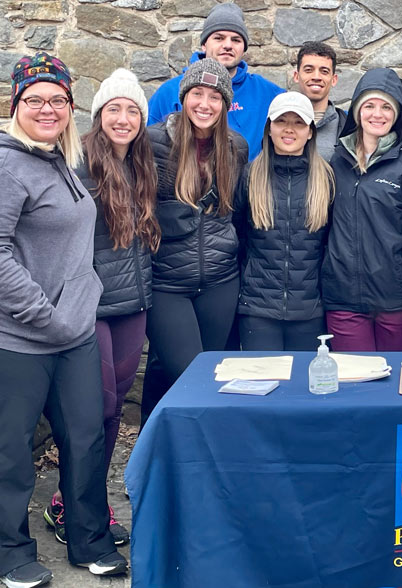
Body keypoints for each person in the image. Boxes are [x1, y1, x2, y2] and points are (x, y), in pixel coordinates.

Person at [0, 52, 128, 588]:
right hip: (20, 338)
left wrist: (83, 296)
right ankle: (10, 555)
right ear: (16, 106)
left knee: (85, 439)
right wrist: (42, 313)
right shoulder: (7, 166)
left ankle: (89, 541)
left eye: (57, 99)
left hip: (74, 332)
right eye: (35, 100)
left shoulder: (63, 162)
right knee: (11, 450)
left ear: (70, 107)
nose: (47, 108)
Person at [42, 69, 158, 548]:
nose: (124, 118)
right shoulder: (74, 160)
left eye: (133, 110)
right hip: (91, 305)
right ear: (98, 114)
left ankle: (79, 501)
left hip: (133, 301)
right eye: (115, 108)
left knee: (112, 413)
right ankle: (78, 502)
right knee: (97, 408)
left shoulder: (145, 163)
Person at [141, 58, 248, 425]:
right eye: (197, 94)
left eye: (215, 97)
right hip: (168, 281)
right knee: (184, 375)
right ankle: (151, 460)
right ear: (184, 98)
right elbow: (137, 205)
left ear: (225, 104)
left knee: (208, 373)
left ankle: (190, 465)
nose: (205, 104)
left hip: (220, 280)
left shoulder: (236, 147)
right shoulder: (153, 142)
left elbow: (234, 211)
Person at [321, 68, 402, 351]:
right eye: (369, 106)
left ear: (398, 114)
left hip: (396, 305)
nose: (377, 114)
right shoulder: (337, 163)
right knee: (356, 384)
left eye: (386, 106)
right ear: (356, 111)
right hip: (344, 302)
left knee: (397, 388)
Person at [234, 92, 334, 350]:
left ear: (311, 132)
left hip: (310, 312)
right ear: (269, 129)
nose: (289, 129)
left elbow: (330, 245)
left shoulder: (327, 179)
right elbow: (238, 238)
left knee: (303, 388)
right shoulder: (249, 176)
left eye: (299, 123)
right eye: (281, 122)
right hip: (258, 310)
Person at [147, 2, 283, 160]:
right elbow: (147, 147)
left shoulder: (265, 92)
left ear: (244, 48)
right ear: (204, 45)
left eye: (236, 40)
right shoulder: (169, 92)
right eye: (219, 38)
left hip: (245, 182)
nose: (227, 45)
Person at [292, 41, 346, 162]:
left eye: (324, 71)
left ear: (334, 79)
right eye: (309, 70)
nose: (316, 77)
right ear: (296, 76)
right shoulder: (279, 123)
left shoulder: (346, 127)